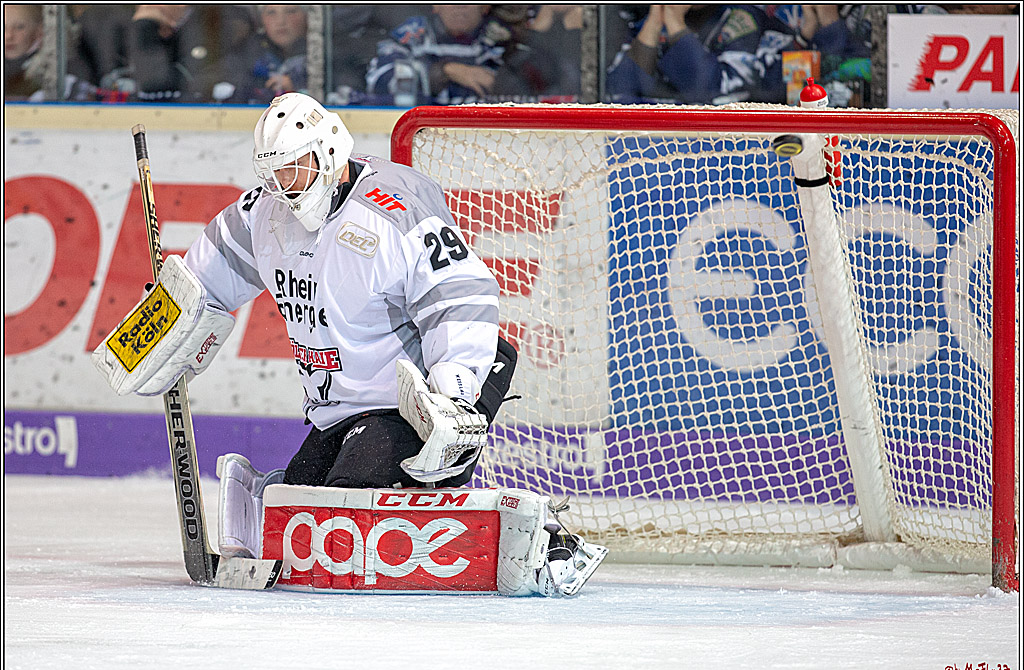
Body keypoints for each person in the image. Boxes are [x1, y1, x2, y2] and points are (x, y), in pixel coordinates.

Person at [93, 92, 603, 595]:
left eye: (295, 168)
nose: (284, 186)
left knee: (342, 523)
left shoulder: (392, 208)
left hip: (419, 402)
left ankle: (544, 542)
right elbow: (205, 282)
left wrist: (453, 396)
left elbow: (460, 294)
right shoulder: (263, 214)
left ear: (330, 150)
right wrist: (164, 323)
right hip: (341, 413)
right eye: (272, 173)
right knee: (296, 518)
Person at [606, 4, 862, 105]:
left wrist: (675, 25)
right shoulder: (646, 21)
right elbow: (616, 93)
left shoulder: (742, 17)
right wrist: (654, 21)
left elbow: (715, 91)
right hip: (648, 149)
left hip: (722, 155)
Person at [365, 4, 529, 105]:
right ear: (435, 5)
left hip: (487, 138)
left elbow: (531, 90)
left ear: (485, 7)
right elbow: (379, 80)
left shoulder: (503, 40)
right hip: (425, 136)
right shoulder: (414, 33)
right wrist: (444, 72)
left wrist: (503, 84)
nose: (459, 5)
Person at [126, 4, 253, 102]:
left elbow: (155, 81)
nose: (145, 8)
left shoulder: (216, 21)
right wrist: (145, 26)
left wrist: (144, 25)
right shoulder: (143, 27)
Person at [219, 5, 308, 104]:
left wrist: (297, 84)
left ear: (307, 16)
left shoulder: (324, 51)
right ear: (261, 19)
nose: (281, 21)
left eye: (291, 11)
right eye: (271, 13)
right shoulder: (246, 52)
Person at [4, 4, 45, 101]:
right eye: (3, 27)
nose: (9, 36)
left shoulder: (50, 67)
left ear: (39, 31)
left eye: (19, 27)